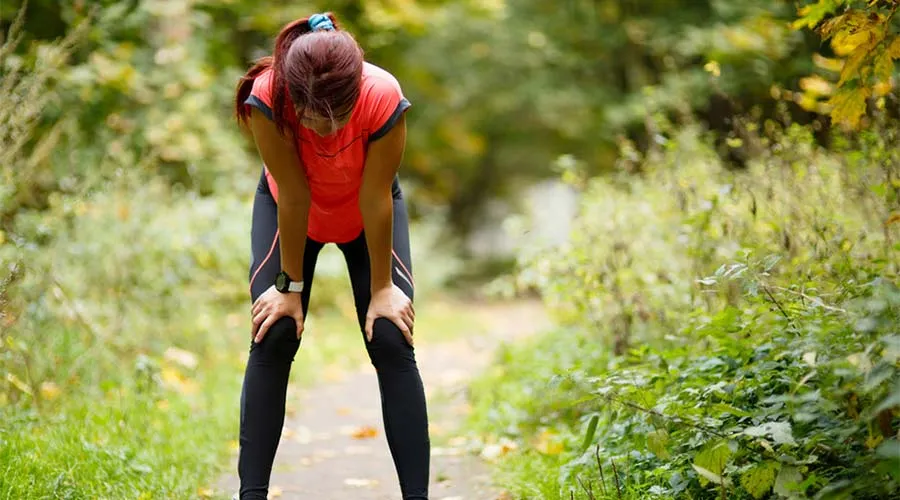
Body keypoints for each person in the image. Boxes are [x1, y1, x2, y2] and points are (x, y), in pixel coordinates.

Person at [232, 12, 430, 500]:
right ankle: (250, 494)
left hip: (367, 209)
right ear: (293, 96)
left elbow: (376, 195)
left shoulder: (382, 95)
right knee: (274, 331)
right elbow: (295, 196)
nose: (326, 129)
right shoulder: (266, 96)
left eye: (338, 116)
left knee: (390, 334)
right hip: (289, 207)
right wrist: (290, 291)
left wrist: (383, 290)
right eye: (314, 116)